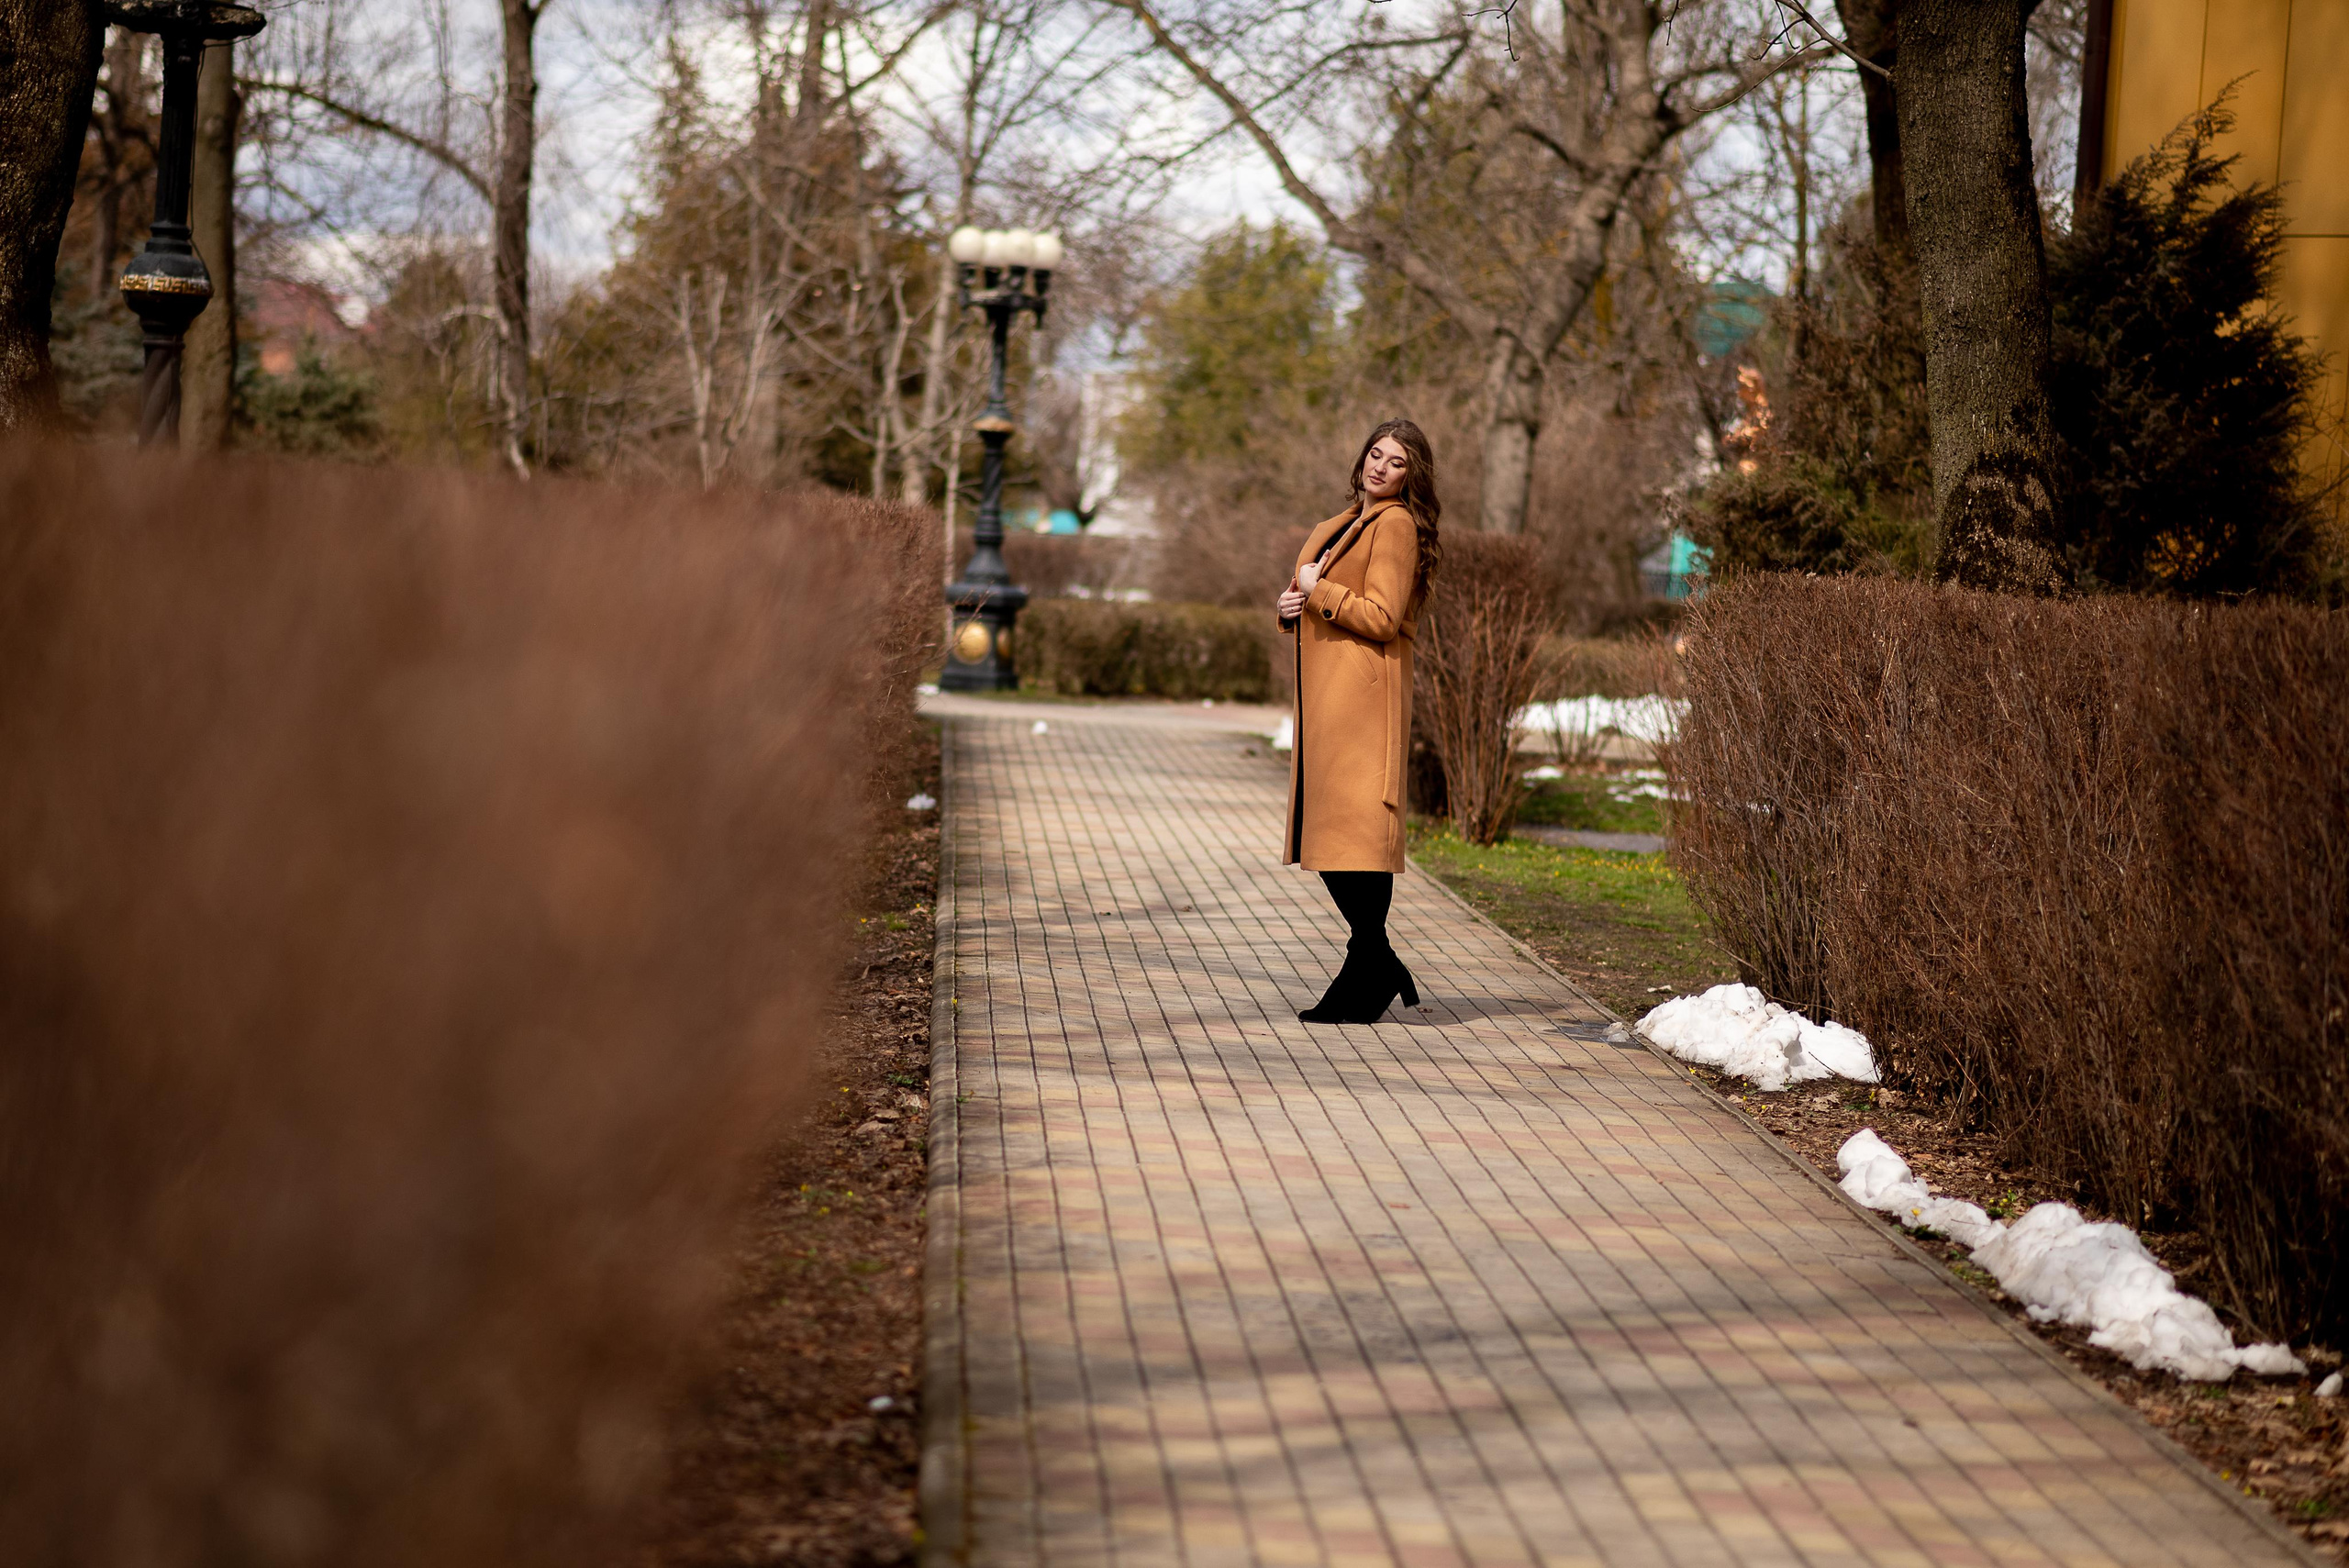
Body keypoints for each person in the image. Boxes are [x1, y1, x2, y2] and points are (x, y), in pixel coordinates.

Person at [1276, 418, 1442, 1023]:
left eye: (1397, 462)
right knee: (1332, 838)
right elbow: (1309, 592)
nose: (1381, 467)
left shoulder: (1395, 525)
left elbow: (1382, 617)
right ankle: (1376, 960)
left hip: (1364, 705)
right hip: (1331, 704)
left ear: (1410, 477)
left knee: (1356, 840)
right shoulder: (1341, 523)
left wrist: (1319, 592)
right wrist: (1289, 605)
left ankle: (1370, 962)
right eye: (1376, 454)